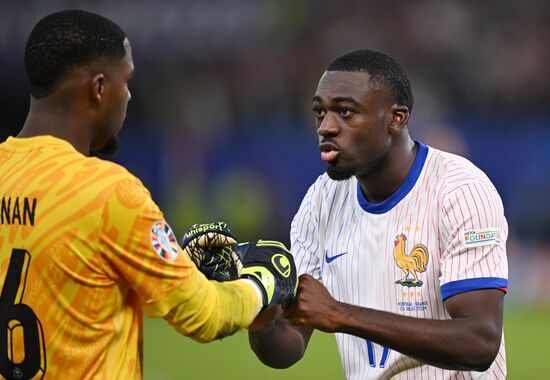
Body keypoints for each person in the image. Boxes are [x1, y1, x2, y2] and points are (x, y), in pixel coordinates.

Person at [0, 10, 296, 379]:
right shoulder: (109, 192)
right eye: (126, 82)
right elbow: (203, 316)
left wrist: (178, 268)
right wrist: (263, 283)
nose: (128, 96)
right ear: (98, 88)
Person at [246, 49, 509, 379]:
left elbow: (479, 343)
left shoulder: (460, 190)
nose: (326, 127)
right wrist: (263, 319)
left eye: (345, 112)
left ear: (395, 118)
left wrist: (341, 314)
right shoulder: (321, 200)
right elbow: (289, 345)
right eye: (319, 112)